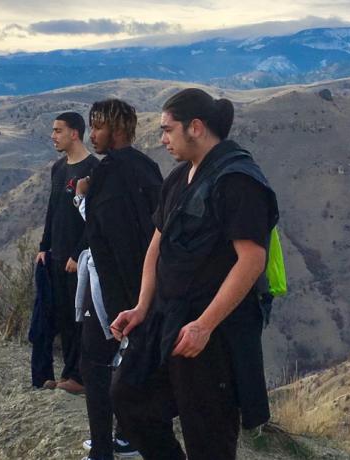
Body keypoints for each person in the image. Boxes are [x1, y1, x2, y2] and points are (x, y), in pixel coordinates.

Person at [109, 88, 279, 460]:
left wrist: (205, 324)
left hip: (213, 336)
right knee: (130, 398)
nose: (163, 139)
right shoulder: (178, 178)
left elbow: (251, 260)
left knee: (209, 436)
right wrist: (141, 306)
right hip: (167, 320)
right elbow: (158, 244)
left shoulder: (237, 181)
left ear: (196, 127)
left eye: (168, 130)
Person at [77, 99, 162, 460]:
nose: (91, 135)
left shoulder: (108, 174)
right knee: (134, 366)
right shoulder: (148, 167)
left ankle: (102, 449)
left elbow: (109, 236)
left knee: (95, 365)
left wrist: (82, 198)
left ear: (116, 129)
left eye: (96, 127)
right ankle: (128, 436)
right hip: (149, 286)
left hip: (114, 290)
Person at [33, 112, 98, 393]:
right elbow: (52, 210)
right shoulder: (59, 168)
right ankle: (56, 375)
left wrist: (78, 252)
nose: (53, 135)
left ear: (75, 133)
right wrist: (43, 247)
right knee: (57, 317)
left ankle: (77, 377)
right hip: (55, 255)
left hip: (78, 260)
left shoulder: (93, 169)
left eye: (58, 130)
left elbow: (94, 219)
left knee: (78, 320)